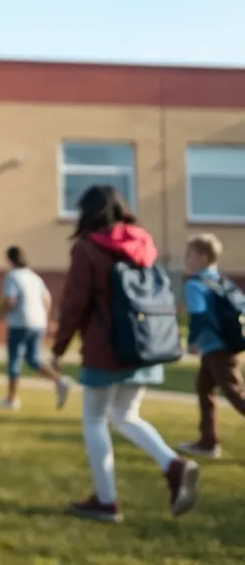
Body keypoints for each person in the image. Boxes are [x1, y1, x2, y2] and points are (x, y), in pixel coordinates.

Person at [52, 184, 199, 523]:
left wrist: (58, 347)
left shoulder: (87, 248)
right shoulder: (142, 242)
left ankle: (106, 501)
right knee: (126, 415)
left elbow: (75, 303)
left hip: (105, 349)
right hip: (143, 345)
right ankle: (173, 465)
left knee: (95, 419)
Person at [178, 234, 245, 459]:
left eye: (190, 254)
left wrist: (191, 341)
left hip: (217, 349)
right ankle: (208, 443)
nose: (186, 258)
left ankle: (208, 443)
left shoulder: (195, 284)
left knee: (235, 395)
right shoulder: (223, 281)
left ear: (203, 257)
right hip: (229, 346)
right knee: (204, 388)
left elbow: (199, 315)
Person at [0, 246, 72, 411]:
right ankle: (60, 381)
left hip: (20, 323)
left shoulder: (13, 276)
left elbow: (10, 300)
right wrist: (47, 318)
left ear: (9, 260)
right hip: (38, 323)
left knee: (14, 360)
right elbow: (47, 299)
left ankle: (11, 399)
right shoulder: (34, 277)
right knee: (33, 359)